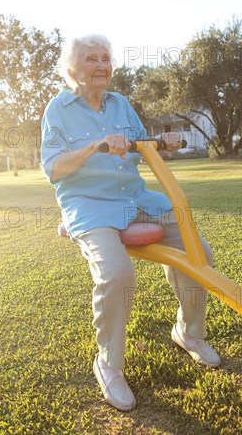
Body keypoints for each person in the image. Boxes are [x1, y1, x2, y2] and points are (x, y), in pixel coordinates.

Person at [41, 34, 220, 412]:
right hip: (88, 205)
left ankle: (189, 334)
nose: (102, 65)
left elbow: (145, 147)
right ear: (72, 68)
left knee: (198, 252)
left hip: (135, 198)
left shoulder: (121, 104)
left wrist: (166, 143)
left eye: (106, 58)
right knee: (118, 274)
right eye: (92, 59)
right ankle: (108, 364)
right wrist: (94, 146)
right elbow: (53, 169)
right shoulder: (58, 110)